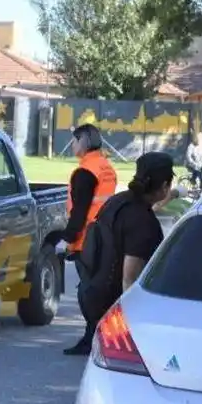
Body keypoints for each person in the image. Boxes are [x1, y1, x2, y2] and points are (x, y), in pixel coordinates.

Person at [68, 151, 179, 356]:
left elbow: (138, 215)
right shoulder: (143, 223)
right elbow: (130, 280)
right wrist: (132, 328)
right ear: (164, 185)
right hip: (112, 311)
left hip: (91, 294)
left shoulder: (118, 202)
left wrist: (170, 197)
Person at [56, 124, 119, 355]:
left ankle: (93, 339)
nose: (72, 145)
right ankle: (100, 338)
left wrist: (67, 238)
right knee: (101, 292)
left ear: (82, 141)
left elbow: (80, 211)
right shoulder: (105, 166)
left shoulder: (85, 172)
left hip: (88, 240)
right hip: (106, 235)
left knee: (89, 294)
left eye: (74, 140)